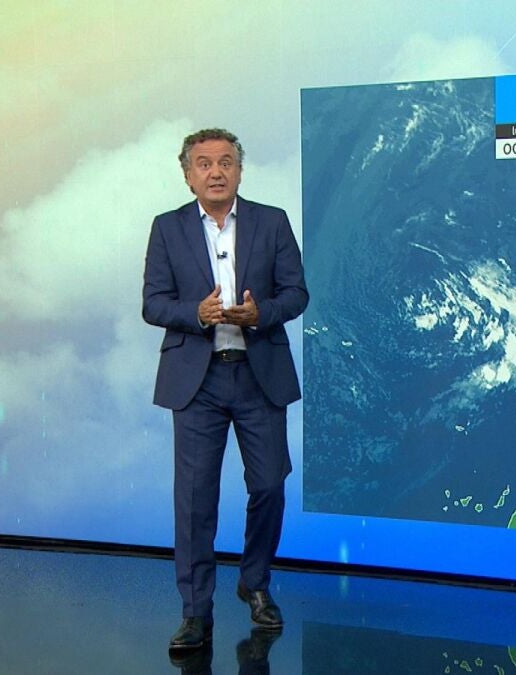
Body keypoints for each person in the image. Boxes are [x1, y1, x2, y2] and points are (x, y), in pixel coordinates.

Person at [143, 128, 308, 652]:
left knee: (270, 486)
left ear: (239, 169)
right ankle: (195, 612)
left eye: (226, 162)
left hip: (259, 375)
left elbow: (297, 294)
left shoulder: (272, 221)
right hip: (198, 381)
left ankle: (254, 582)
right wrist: (196, 313)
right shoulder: (167, 228)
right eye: (204, 163)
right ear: (187, 175)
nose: (216, 171)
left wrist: (262, 313)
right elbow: (153, 303)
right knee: (195, 502)